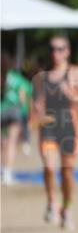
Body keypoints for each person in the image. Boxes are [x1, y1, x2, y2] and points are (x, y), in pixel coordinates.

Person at [33, 36, 78, 229]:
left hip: (68, 126)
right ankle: (51, 203)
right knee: (48, 167)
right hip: (48, 125)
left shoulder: (75, 72)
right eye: (52, 49)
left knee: (67, 172)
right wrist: (37, 107)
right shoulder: (42, 76)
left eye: (60, 48)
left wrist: (70, 93)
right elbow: (37, 101)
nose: (55, 53)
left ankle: (67, 208)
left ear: (68, 51)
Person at [1, 53, 32, 185]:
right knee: (12, 143)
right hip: (15, 111)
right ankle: (8, 173)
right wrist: (25, 114)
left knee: (2, 143)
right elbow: (23, 99)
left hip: (2, 110)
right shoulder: (19, 79)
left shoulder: (3, 78)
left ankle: (3, 170)